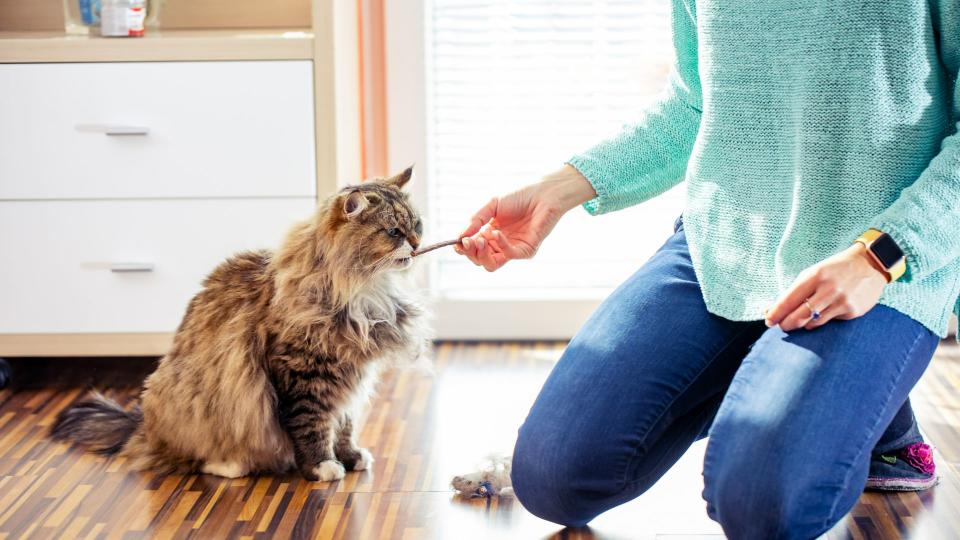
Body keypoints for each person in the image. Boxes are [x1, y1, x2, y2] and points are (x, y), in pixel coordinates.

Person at [454, 1, 958, 537]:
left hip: (876, 264)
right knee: (554, 476)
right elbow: (695, 106)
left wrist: (880, 255)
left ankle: (872, 420)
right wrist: (557, 191)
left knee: (759, 501)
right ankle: (820, 387)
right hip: (724, 249)